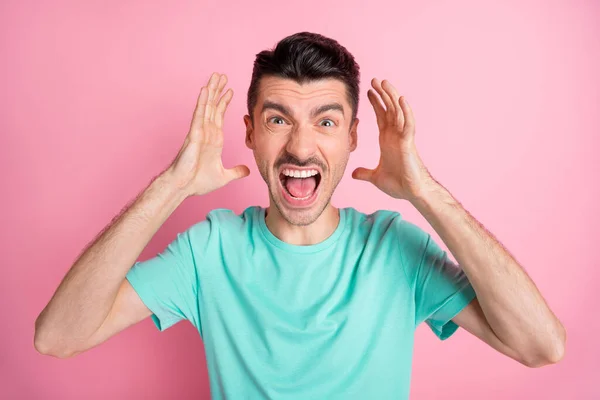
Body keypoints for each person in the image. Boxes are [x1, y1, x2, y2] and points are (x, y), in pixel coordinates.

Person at [34, 32, 566, 399]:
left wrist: (426, 191)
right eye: (278, 119)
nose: (301, 146)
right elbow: (57, 336)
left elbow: (540, 345)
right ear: (249, 133)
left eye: (326, 122)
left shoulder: (395, 250)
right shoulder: (208, 252)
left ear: (355, 137)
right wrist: (170, 186)